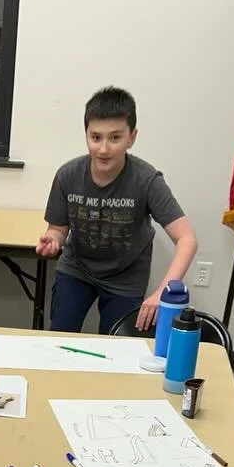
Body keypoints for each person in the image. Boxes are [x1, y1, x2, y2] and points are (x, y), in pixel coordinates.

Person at [37, 87, 198, 334]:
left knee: (118, 346)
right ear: (86, 135)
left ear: (131, 137)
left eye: (115, 138)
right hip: (77, 267)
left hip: (126, 277)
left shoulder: (147, 180)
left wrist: (163, 292)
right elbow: (58, 229)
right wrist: (53, 240)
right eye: (96, 137)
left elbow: (187, 239)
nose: (103, 149)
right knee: (59, 336)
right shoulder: (67, 175)